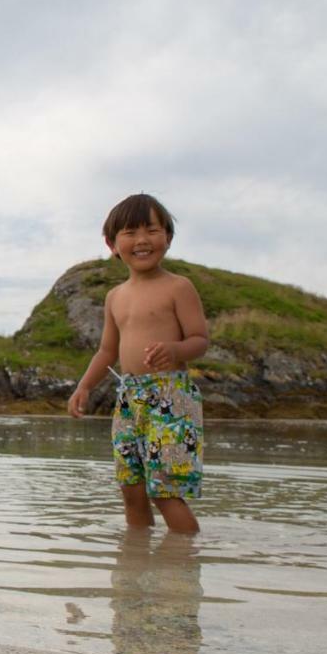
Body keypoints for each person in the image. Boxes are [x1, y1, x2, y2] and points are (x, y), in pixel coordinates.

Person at [67, 194, 208, 534]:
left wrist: (175, 351)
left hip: (171, 398)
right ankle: (137, 560)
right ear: (112, 244)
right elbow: (106, 351)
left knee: (165, 490)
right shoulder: (115, 296)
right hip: (129, 399)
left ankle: (184, 565)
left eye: (152, 230)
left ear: (168, 238)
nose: (142, 240)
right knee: (131, 488)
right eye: (130, 232)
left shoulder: (178, 287)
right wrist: (84, 386)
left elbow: (200, 340)